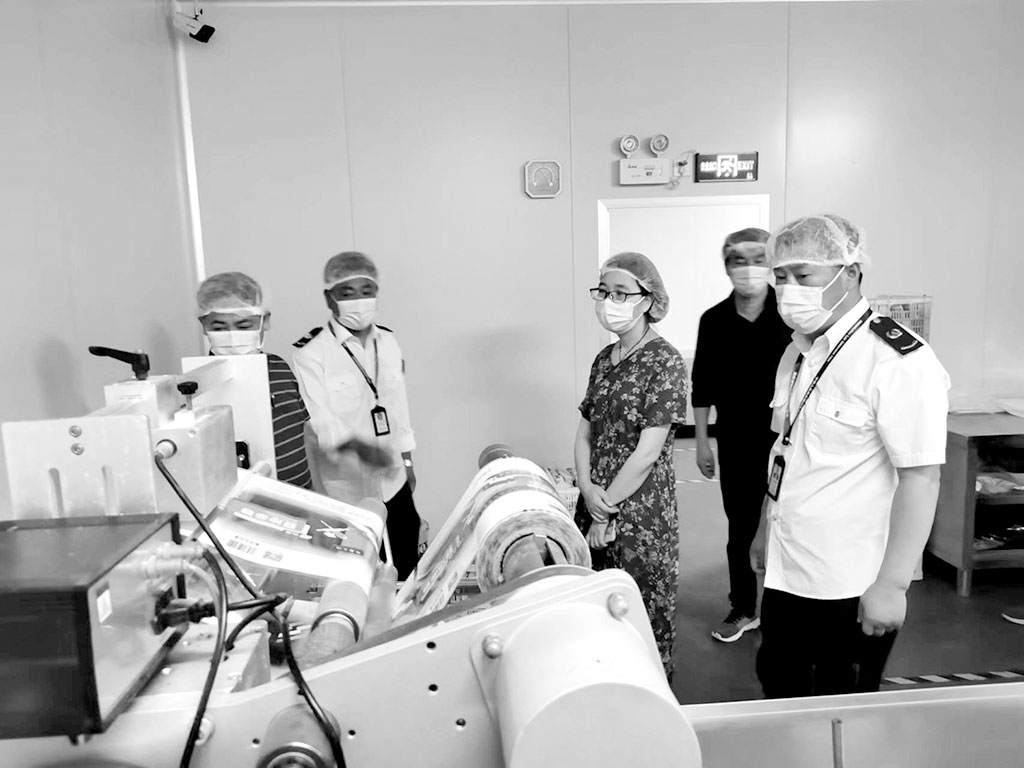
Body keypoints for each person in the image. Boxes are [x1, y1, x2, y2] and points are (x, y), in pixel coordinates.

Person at [752, 214, 950, 698]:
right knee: (779, 685)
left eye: (804, 275)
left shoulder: (897, 360)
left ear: (850, 273)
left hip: (850, 583)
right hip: (788, 568)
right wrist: (763, 529)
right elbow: (787, 451)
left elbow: (921, 478)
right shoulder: (798, 352)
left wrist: (893, 586)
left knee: (841, 707)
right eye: (781, 276)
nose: (788, 289)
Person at [574, 251, 688, 679]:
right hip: (594, 502)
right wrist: (587, 490)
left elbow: (647, 451)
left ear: (649, 299)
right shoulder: (604, 360)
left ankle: (651, 692)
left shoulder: (665, 361)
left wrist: (605, 509)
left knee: (639, 611)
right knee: (596, 613)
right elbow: (584, 433)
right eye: (604, 291)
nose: (610, 301)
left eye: (621, 293)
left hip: (640, 512)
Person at [291, 251, 422, 580]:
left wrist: (407, 462)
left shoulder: (388, 342)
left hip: (392, 480)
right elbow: (323, 423)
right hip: (345, 490)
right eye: (347, 293)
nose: (359, 300)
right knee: (355, 575)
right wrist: (367, 452)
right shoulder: (311, 352)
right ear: (329, 298)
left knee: (405, 563)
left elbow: (399, 407)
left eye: (366, 290)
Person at [691, 229, 792, 643]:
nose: (748, 268)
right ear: (727, 266)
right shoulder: (714, 320)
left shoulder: (789, 315)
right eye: (738, 260)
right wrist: (701, 441)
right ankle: (744, 608)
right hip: (734, 438)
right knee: (742, 527)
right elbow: (702, 384)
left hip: (786, 439)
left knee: (786, 524)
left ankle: (784, 610)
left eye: (758, 258)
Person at [196, 272, 313, 490]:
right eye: (219, 328)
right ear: (204, 325)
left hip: (302, 495)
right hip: (246, 501)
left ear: (264, 321)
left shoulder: (279, 367)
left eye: (243, 326)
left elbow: (304, 433)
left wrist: (319, 496)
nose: (232, 335)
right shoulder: (198, 386)